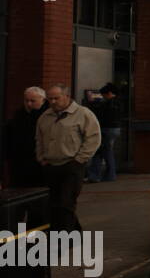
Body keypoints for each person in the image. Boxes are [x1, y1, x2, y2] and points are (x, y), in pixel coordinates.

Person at [35, 83, 101, 232]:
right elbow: (39, 139)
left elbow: (93, 139)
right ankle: (75, 233)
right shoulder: (45, 116)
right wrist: (41, 158)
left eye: (56, 98)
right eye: (49, 99)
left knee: (66, 203)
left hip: (71, 164)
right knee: (54, 204)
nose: (52, 102)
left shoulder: (83, 114)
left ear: (67, 97)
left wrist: (79, 160)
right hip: (50, 165)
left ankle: (63, 240)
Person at [4, 87, 48, 188]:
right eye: (26, 100)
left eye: (33, 101)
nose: (29, 104)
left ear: (43, 100)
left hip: (39, 162)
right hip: (19, 162)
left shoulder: (47, 116)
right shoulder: (19, 114)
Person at [87, 83, 122, 183]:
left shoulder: (109, 103)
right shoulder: (119, 102)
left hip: (106, 129)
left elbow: (101, 115)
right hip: (115, 129)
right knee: (107, 151)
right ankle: (108, 175)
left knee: (100, 151)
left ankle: (96, 175)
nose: (103, 97)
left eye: (104, 95)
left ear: (109, 93)